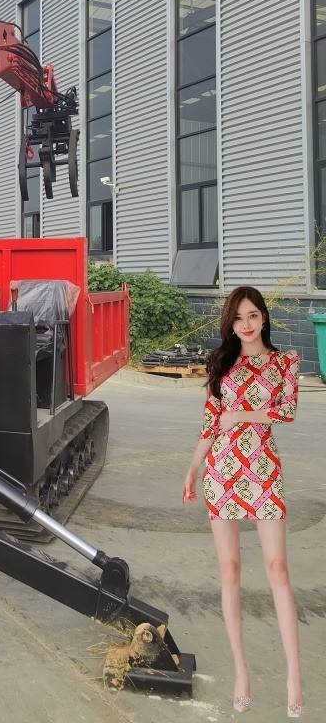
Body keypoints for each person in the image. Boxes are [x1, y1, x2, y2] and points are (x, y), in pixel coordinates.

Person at [182, 286, 303, 717]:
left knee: (277, 568)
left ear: (263, 317)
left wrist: (244, 414)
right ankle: (241, 672)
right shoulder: (221, 363)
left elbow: (287, 411)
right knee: (230, 569)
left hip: (264, 471)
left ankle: (293, 675)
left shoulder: (285, 362)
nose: (246, 324)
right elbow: (211, 422)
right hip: (222, 472)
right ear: (230, 324)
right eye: (238, 318)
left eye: (252, 315)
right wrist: (193, 467)